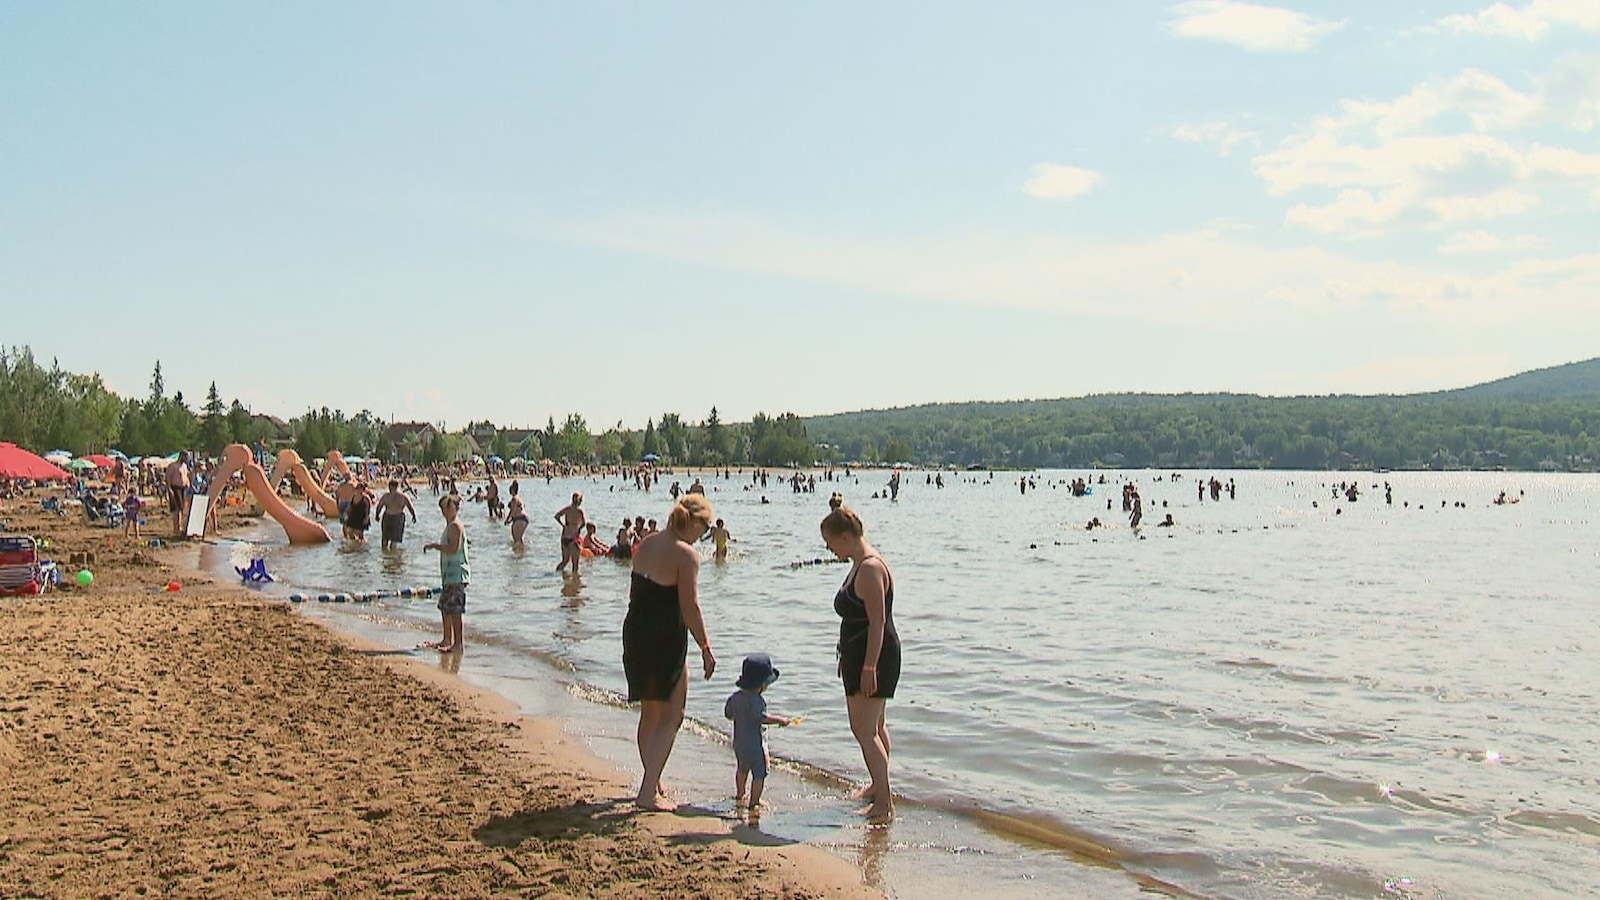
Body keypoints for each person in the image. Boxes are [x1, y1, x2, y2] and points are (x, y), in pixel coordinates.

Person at [623, 494, 717, 810]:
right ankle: (648, 792)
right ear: (696, 523)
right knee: (673, 714)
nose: (704, 536)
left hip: (635, 631)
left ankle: (653, 779)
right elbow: (690, 606)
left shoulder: (647, 542)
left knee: (650, 713)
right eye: (705, 529)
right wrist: (705, 646)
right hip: (664, 635)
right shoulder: (686, 555)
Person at [821, 503, 900, 819]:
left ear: (844, 537)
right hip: (862, 654)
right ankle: (877, 787)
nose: (829, 550)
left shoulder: (869, 568)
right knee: (875, 727)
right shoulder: (860, 562)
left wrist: (869, 667)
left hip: (875, 656)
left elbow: (878, 623)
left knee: (864, 730)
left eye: (830, 543)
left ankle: (884, 803)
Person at [724, 653, 793, 811]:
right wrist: (780, 720)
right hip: (755, 745)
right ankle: (754, 802)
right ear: (762, 684)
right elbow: (760, 718)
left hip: (739, 744)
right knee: (759, 773)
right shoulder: (758, 700)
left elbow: (728, 714)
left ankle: (740, 794)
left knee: (742, 769)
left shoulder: (734, 698)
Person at [422, 493, 468, 653]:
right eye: (442, 508)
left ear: (455, 508)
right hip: (449, 575)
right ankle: (447, 639)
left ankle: (458, 644)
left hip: (457, 574)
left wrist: (435, 546)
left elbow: (454, 549)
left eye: (447, 507)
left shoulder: (455, 525)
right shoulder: (450, 525)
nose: (444, 511)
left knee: (455, 610)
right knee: (445, 607)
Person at [375, 479, 418, 550]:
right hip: (398, 518)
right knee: (394, 540)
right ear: (397, 486)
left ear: (390, 486)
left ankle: (385, 556)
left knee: (385, 539)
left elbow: (379, 506)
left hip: (387, 517)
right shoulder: (404, 496)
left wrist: (377, 515)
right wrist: (414, 516)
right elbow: (411, 507)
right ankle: (393, 556)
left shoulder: (386, 496)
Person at [554, 492, 586, 572]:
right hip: (573, 537)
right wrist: (578, 529)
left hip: (564, 536)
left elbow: (557, 516)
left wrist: (563, 525)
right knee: (575, 564)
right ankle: (575, 582)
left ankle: (556, 575)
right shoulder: (580, 511)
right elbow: (584, 523)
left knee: (565, 561)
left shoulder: (567, 509)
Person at [164, 452, 191, 536]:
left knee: (181, 508)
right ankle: (176, 528)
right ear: (181, 456)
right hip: (175, 488)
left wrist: (188, 483)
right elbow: (168, 478)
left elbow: (186, 476)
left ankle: (179, 527)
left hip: (183, 489)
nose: (186, 459)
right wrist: (169, 489)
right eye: (185, 457)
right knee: (176, 509)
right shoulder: (173, 466)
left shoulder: (184, 466)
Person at [505, 481, 529, 547]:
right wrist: (510, 521)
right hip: (523, 519)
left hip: (520, 519)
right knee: (519, 539)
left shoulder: (514, 498)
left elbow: (513, 510)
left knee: (517, 540)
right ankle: (521, 552)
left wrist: (507, 520)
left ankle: (518, 554)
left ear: (512, 490)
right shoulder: (519, 498)